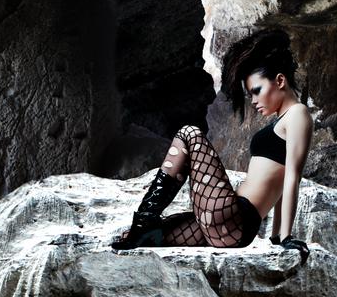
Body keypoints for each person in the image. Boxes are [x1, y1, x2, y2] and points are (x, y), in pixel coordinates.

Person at [112, 28, 312, 264]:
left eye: (256, 91)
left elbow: (292, 177)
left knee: (189, 133)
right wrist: (276, 236)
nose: (254, 101)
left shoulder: (297, 114)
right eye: (250, 95)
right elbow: (278, 184)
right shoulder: (282, 120)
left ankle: (144, 219)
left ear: (279, 81)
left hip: (233, 218)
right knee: (144, 236)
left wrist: (286, 237)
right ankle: (143, 225)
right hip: (227, 226)